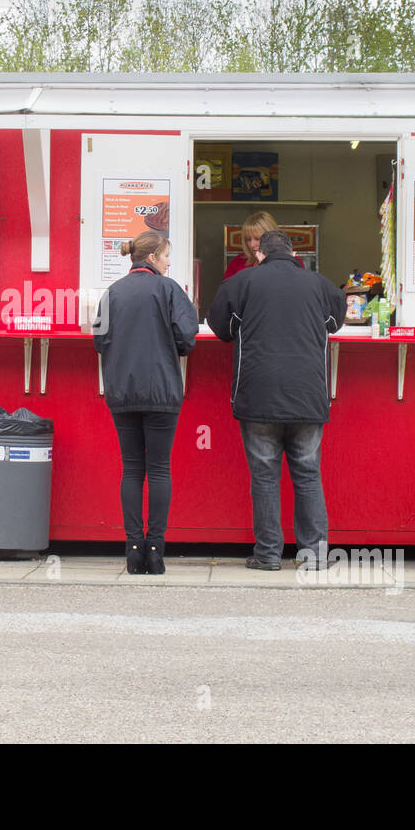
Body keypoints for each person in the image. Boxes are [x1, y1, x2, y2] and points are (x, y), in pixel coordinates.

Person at [209, 229, 345, 570]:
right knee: (308, 475)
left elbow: (220, 328)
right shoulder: (319, 284)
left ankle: (268, 555)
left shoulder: (241, 283)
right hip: (308, 396)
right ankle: (314, 555)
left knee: (265, 477)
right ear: (293, 253)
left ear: (260, 254)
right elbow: (335, 322)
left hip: (258, 395)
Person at [92, 232, 198, 575]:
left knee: (132, 468)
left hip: (122, 391)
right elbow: (186, 337)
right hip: (162, 391)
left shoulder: (113, 292)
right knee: (159, 469)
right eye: (167, 256)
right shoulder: (169, 290)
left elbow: (99, 340)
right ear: (151, 257)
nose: (169, 262)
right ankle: (156, 550)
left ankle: (133, 550)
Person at [221, 210, 278, 281]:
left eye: (257, 239)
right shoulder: (237, 262)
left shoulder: (291, 262)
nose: (252, 245)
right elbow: (226, 290)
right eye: (248, 239)